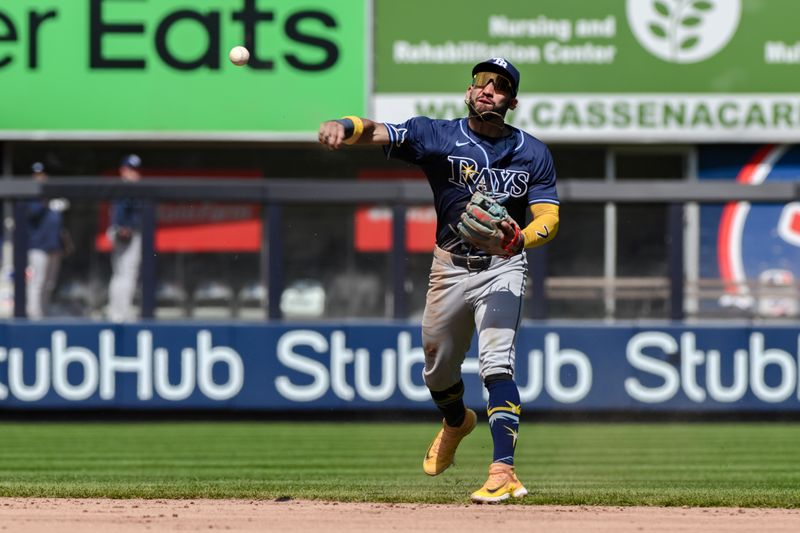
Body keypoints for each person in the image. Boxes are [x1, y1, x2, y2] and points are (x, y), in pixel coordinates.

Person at [318, 57, 560, 503]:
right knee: (437, 369)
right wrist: (342, 124)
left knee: (496, 363)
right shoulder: (438, 135)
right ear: (469, 92)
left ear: (512, 101)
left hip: (502, 266)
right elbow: (377, 131)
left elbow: (550, 215)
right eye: (481, 82)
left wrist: (521, 239)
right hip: (449, 268)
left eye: (500, 85)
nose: (488, 89)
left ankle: (503, 470)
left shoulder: (532, 151)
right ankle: (455, 422)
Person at [25, 162, 70, 319]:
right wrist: (47, 202)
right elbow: (33, 213)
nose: (40, 177)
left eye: (42, 174)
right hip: (37, 245)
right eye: (36, 174)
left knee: (49, 283)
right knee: (37, 280)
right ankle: (34, 313)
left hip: (53, 245)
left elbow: (58, 223)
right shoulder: (30, 195)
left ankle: (43, 311)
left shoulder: (52, 194)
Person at [107, 154, 144, 323]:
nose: (134, 173)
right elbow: (120, 214)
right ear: (123, 170)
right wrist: (121, 228)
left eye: (136, 170)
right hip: (125, 233)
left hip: (125, 232)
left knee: (122, 273)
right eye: (131, 169)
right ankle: (120, 312)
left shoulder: (130, 188)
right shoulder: (125, 187)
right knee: (125, 273)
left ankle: (118, 311)